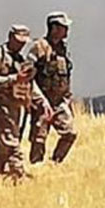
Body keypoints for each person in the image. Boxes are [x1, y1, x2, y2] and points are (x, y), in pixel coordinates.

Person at [0, 24, 50, 179]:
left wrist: (42, 101)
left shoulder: (21, 60)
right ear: (10, 37)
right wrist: (14, 78)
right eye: (18, 41)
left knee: (4, 144)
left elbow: (29, 84)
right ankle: (18, 174)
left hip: (16, 106)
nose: (20, 45)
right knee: (10, 141)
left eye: (23, 42)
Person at [29, 11, 78, 164]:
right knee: (39, 139)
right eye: (64, 27)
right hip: (42, 103)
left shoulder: (63, 49)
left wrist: (67, 99)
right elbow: (28, 76)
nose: (67, 31)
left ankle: (55, 163)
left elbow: (66, 76)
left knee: (70, 133)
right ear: (54, 28)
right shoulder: (39, 47)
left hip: (59, 102)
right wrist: (40, 101)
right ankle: (36, 168)